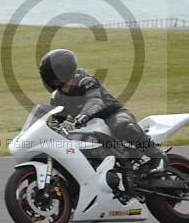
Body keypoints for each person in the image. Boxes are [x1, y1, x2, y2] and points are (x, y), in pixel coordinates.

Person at [39, 48, 167, 173]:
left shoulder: (85, 81)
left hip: (112, 115)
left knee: (122, 125)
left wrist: (81, 117)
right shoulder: (57, 97)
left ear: (61, 72)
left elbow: (95, 101)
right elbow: (56, 119)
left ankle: (157, 156)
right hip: (87, 126)